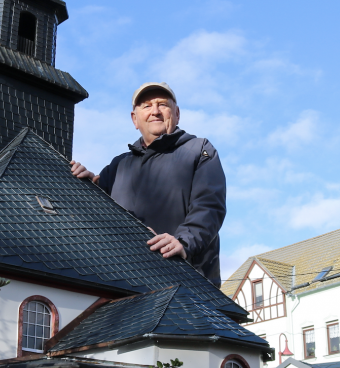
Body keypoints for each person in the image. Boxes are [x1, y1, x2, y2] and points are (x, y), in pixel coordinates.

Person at [70, 82, 227, 285]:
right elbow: (101, 216)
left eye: (162, 104)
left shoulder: (199, 150)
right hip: (130, 284)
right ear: (135, 119)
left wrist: (182, 242)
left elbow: (209, 207)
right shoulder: (119, 165)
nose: (155, 111)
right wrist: (87, 185)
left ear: (177, 113)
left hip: (189, 283)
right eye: (146, 106)